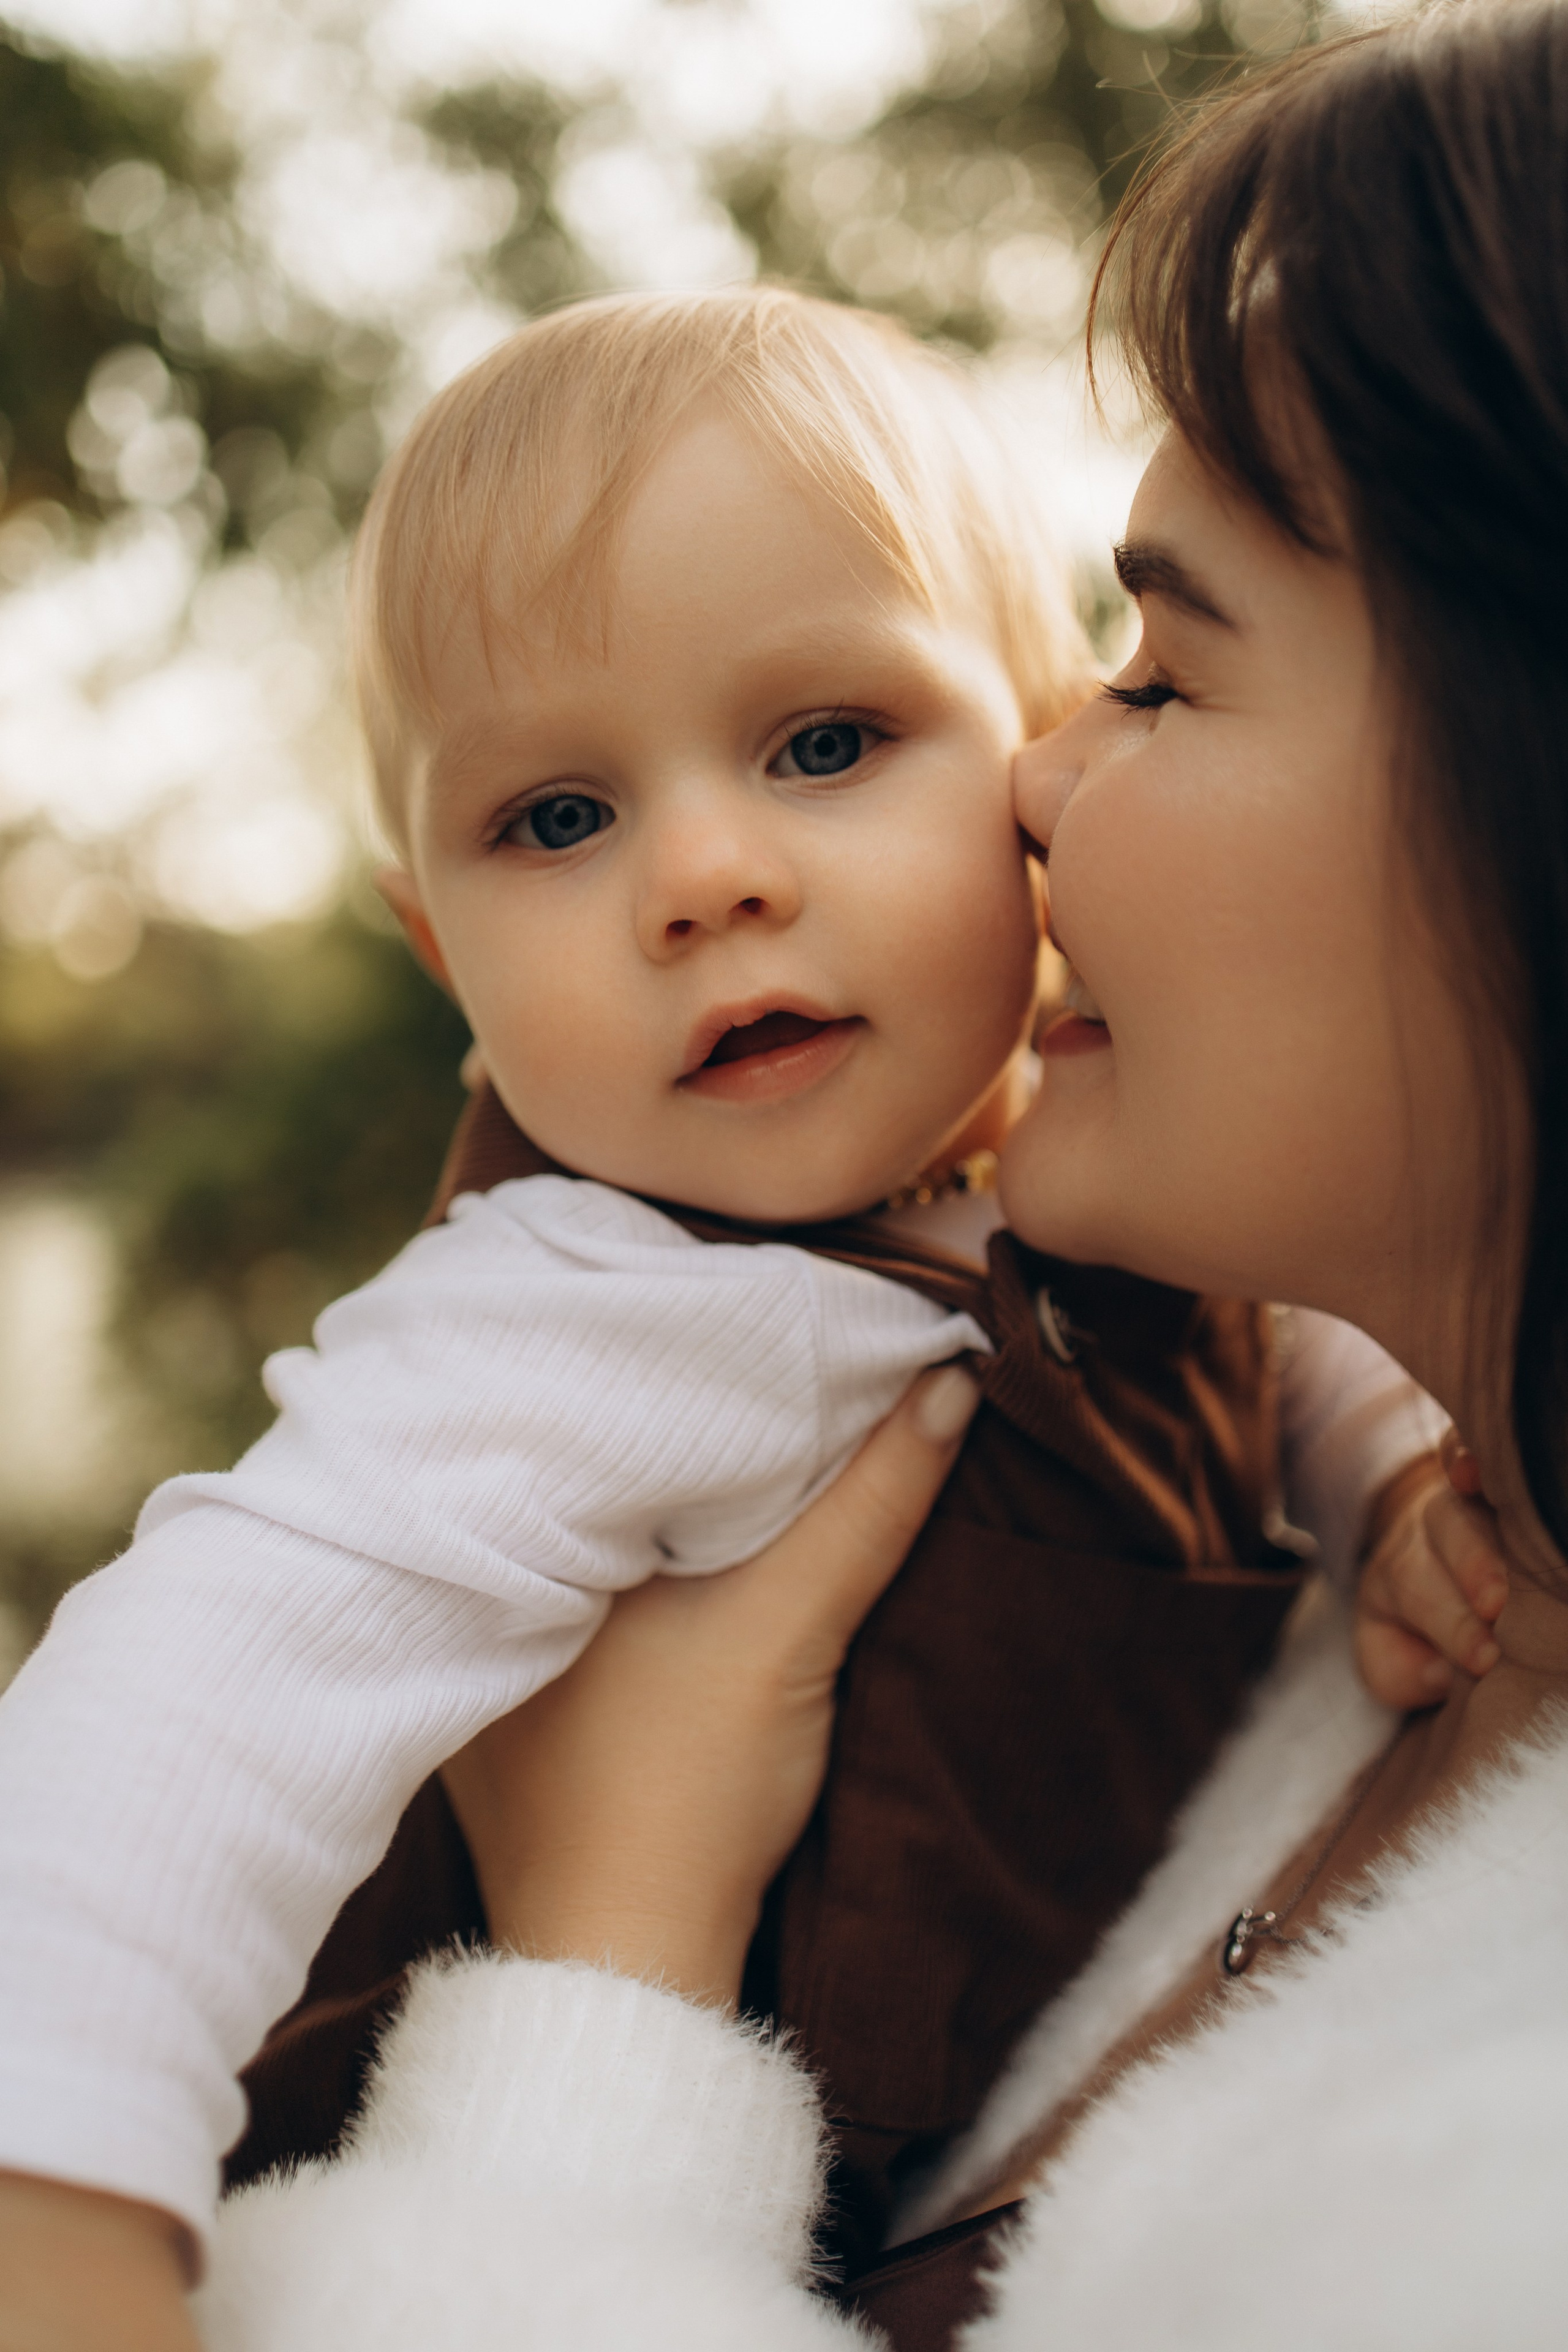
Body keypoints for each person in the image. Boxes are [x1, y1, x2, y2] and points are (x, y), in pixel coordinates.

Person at [186, 1, 1568, 2343]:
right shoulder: (562, 1327)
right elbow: (136, 1775)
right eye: (556, 814)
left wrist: (603, 1961)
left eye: (1155, 676)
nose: (1033, 792)